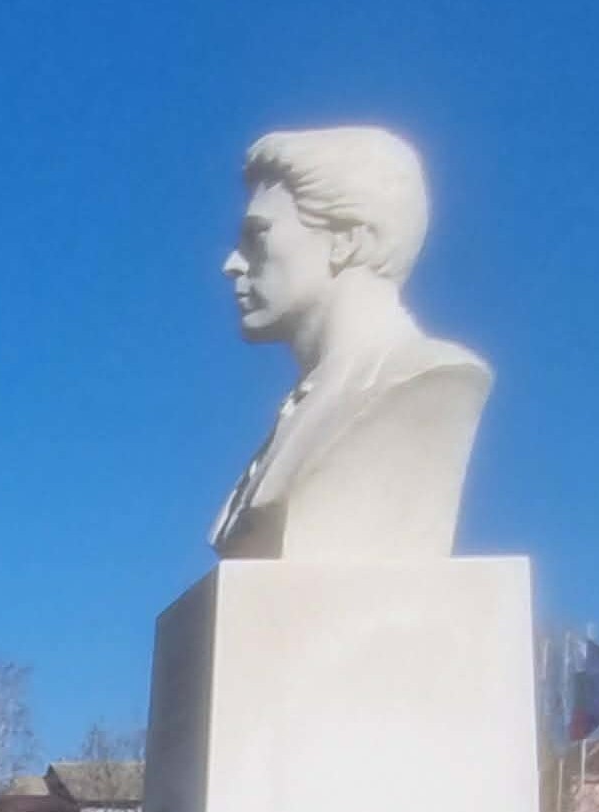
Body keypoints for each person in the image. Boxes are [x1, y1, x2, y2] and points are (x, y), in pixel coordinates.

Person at [210, 127, 492, 561]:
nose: (232, 264)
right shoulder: (300, 406)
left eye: (256, 236)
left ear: (349, 240)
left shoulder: (426, 376)